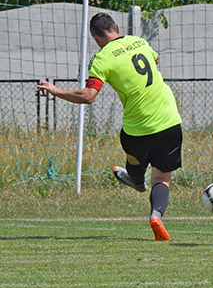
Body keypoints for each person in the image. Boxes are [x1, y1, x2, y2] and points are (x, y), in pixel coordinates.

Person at [36, 13, 182, 242]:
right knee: (162, 178)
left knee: (135, 162)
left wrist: (56, 90)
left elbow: (88, 96)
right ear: (116, 27)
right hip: (170, 119)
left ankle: (136, 180)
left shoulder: (101, 59)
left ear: (94, 37)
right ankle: (156, 215)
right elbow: (155, 59)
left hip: (138, 127)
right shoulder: (139, 41)